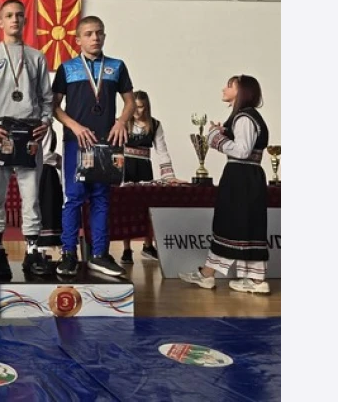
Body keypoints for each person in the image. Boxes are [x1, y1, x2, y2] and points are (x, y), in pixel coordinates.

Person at [0, 0, 53, 281]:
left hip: (30, 136)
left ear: (25, 20)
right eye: (9, 15)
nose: (14, 19)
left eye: (19, 15)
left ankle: (32, 252)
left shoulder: (37, 57)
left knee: (31, 196)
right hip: (0, 135)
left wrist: (45, 123)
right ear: (1, 22)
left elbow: (47, 99)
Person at [51, 15, 134, 277]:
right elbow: (53, 106)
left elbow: (130, 101)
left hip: (106, 143)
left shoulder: (117, 66)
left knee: (101, 198)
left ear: (104, 36)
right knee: (74, 197)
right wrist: (74, 126)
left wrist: (121, 122)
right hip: (77, 142)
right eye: (88, 34)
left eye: (99, 33)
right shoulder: (67, 68)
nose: (94, 38)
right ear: (78, 40)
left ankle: (99, 254)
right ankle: (68, 253)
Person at [179, 75, 271, 294]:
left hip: (241, 178)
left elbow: (242, 151)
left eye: (230, 86)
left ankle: (250, 279)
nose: (224, 89)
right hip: (244, 176)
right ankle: (214, 274)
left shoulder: (245, 117)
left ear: (241, 91)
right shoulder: (244, 117)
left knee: (235, 224)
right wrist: (224, 133)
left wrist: (215, 139)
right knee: (238, 225)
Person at [119, 90, 187, 264]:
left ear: (146, 107)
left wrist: (169, 177)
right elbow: (114, 148)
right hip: (126, 168)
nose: (137, 111)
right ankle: (126, 249)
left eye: (141, 107)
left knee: (145, 207)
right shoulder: (122, 123)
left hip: (144, 168)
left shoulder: (155, 125)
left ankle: (148, 245)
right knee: (127, 208)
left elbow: (162, 151)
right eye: (134, 107)